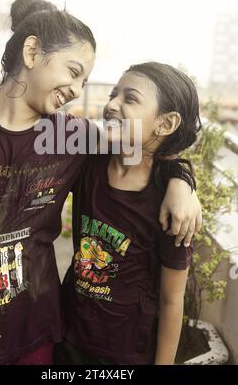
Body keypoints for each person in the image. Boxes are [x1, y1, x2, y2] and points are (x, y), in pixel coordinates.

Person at [0, 0, 201, 365]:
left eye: (86, 80)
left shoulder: (70, 137)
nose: (79, 91)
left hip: (44, 332)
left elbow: (144, 146)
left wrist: (182, 178)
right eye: (75, 73)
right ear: (31, 53)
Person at [55, 62, 201, 365]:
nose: (111, 105)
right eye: (113, 95)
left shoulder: (169, 203)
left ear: (166, 123)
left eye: (130, 98)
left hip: (126, 352)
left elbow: (173, 301)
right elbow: (32, 130)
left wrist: (181, 181)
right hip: (68, 336)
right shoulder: (88, 163)